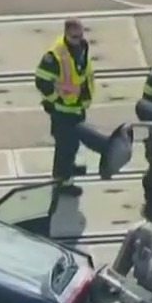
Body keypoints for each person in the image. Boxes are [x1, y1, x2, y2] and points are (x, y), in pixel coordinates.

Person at [34, 18, 95, 196]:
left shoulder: (82, 47)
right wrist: (55, 101)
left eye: (81, 35)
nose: (79, 39)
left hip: (77, 107)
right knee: (65, 147)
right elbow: (41, 81)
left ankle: (69, 168)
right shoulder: (54, 56)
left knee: (72, 144)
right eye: (75, 36)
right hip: (62, 111)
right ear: (66, 34)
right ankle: (63, 182)